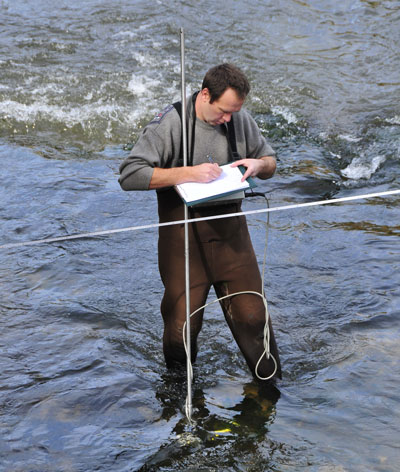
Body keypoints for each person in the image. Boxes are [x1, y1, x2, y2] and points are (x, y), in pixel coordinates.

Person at [119, 63, 281, 382]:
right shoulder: (171, 123)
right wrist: (187, 172)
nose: (228, 119)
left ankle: (270, 390)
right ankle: (179, 392)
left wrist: (259, 164)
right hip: (183, 240)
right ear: (205, 95)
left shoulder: (240, 120)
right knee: (183, 327)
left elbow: (271, 162)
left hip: (232, 240)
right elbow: (129, 174)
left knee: (253, 317)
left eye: (234, 112)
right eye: (223, 111)